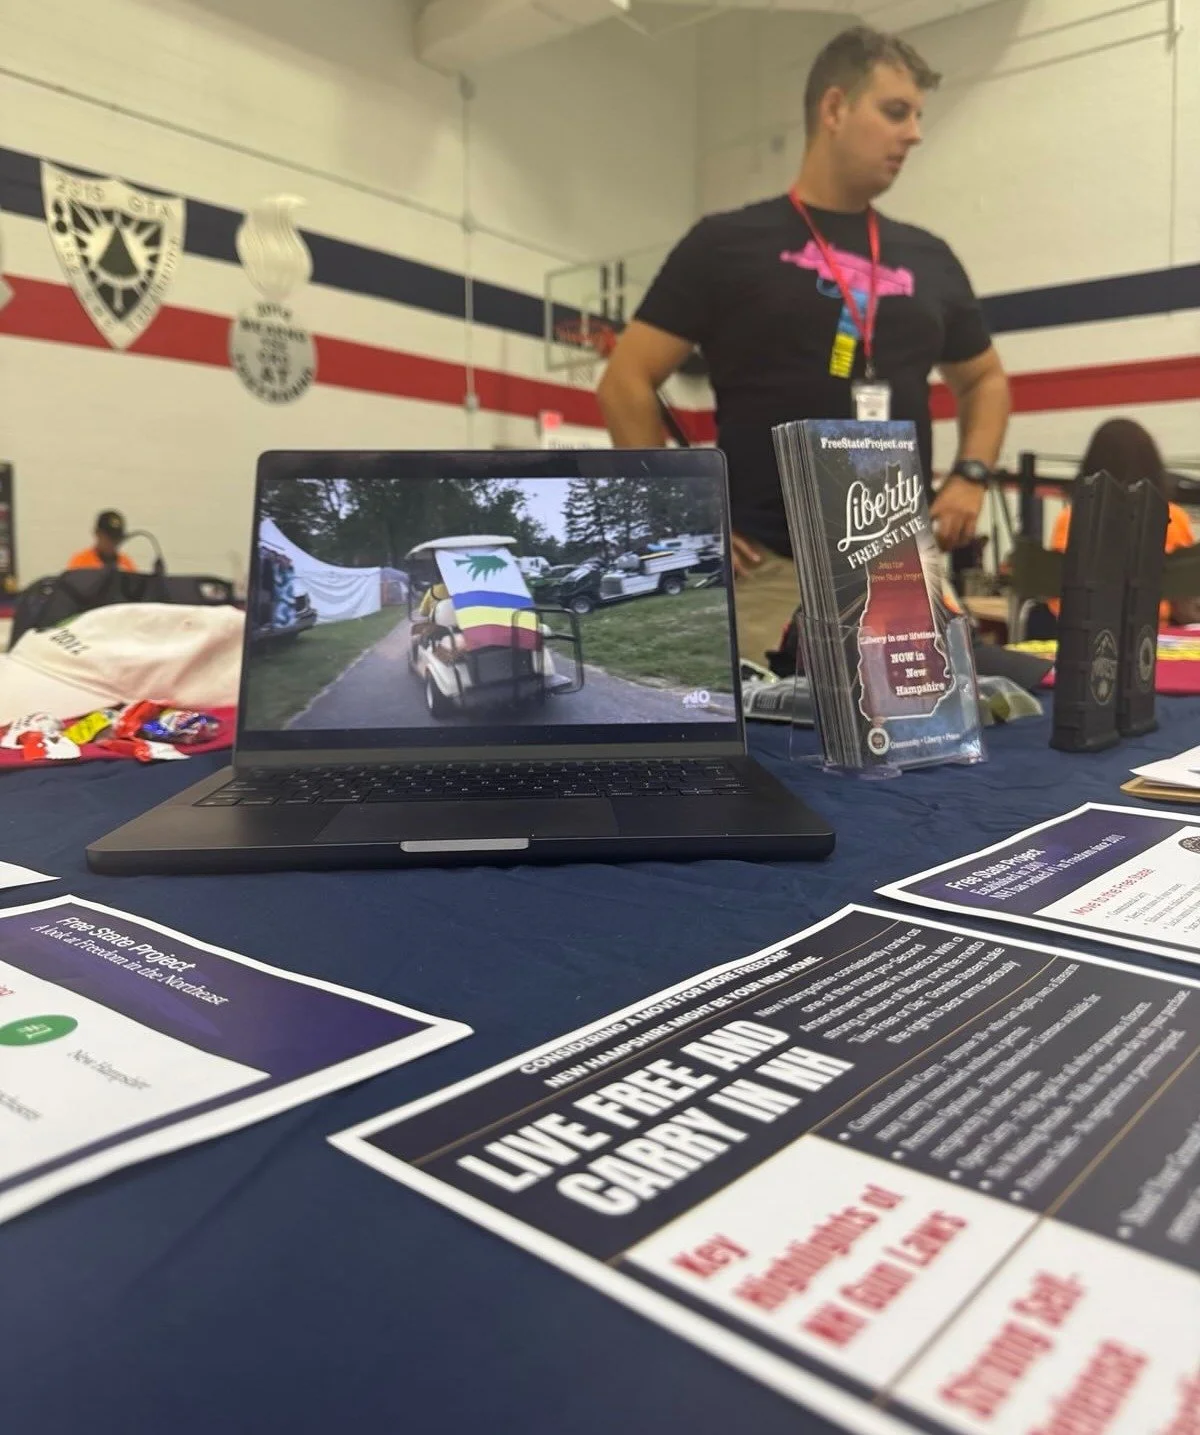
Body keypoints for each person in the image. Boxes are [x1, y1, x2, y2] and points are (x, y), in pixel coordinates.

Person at [598, 25, 1010, 665]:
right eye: (895, 112)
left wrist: (972, 474)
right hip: (768, 573)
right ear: (835, 108)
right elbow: (625, 381)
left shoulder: (931, 258)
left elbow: (984, 379)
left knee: (920, 727)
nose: (914, 134)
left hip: (897, 571)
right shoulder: (725, 245)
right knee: (768, 726)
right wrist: (679, 513)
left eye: (918, 117)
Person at [1049, 417, 1198, 626]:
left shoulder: (1072, 518)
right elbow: (1185, 588)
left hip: (1085, 631)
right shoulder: (1175, 517)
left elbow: (1058, 595)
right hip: (1157, 631)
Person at [66, 510, 135, 572]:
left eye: (116, 537)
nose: (113, 542)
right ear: (97, 533)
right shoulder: (80, 562)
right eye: (109, 537)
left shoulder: (126, 564)